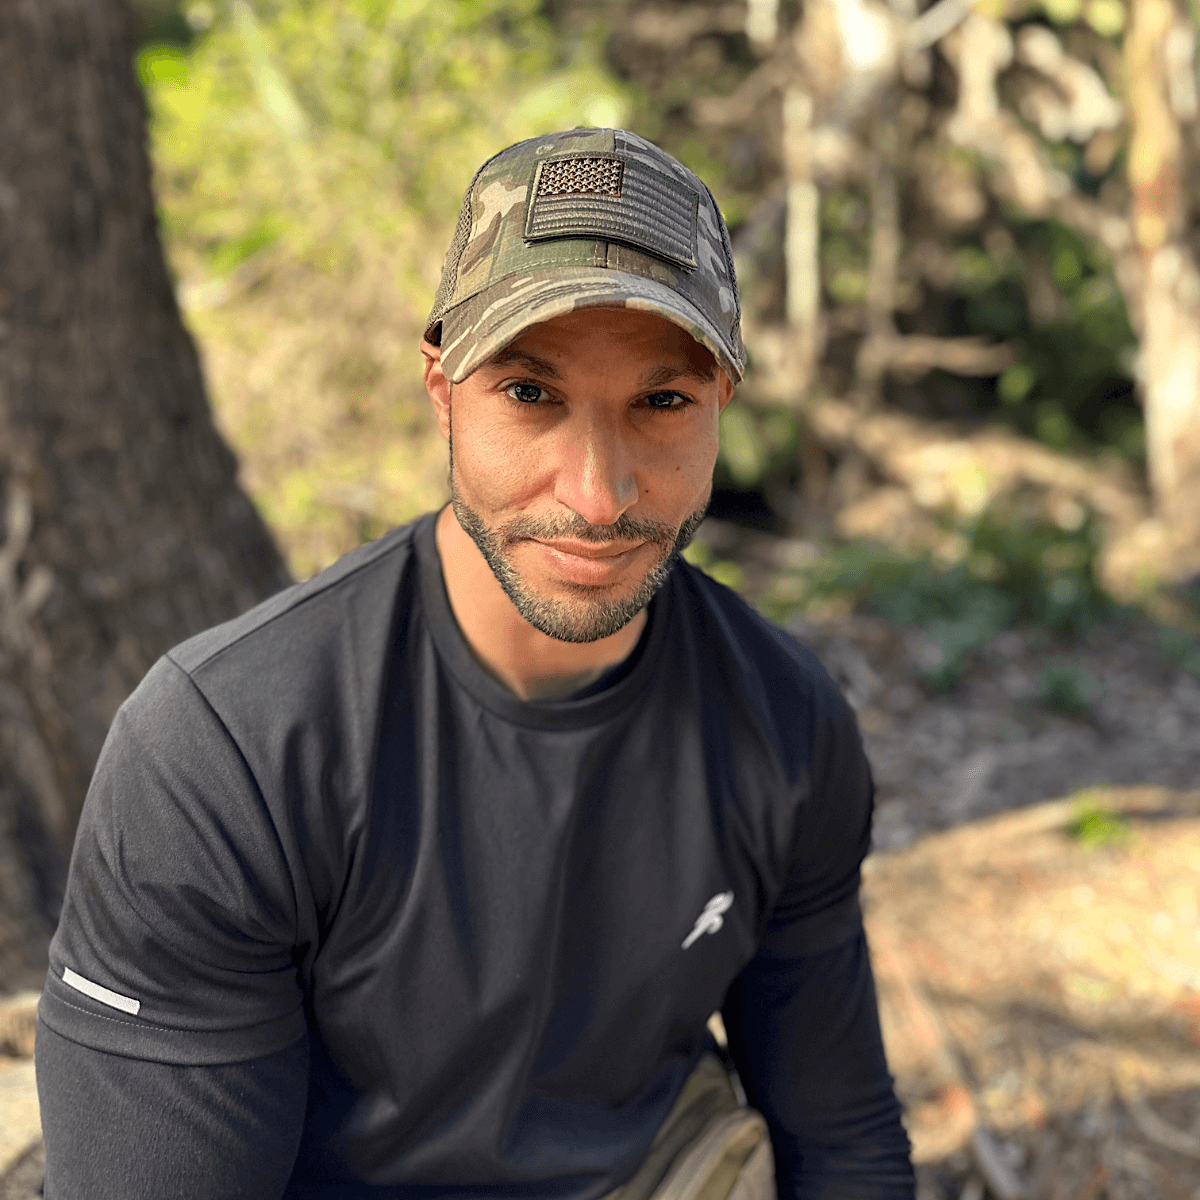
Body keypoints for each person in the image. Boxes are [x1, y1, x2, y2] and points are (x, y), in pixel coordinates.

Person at [35, 128, 914, 1200]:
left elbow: (844, 1137)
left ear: (723, 401)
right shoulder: (228, 751)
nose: (597, 496)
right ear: (442, 387)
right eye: (531, 395)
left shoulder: (785, 726)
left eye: (662, 401)